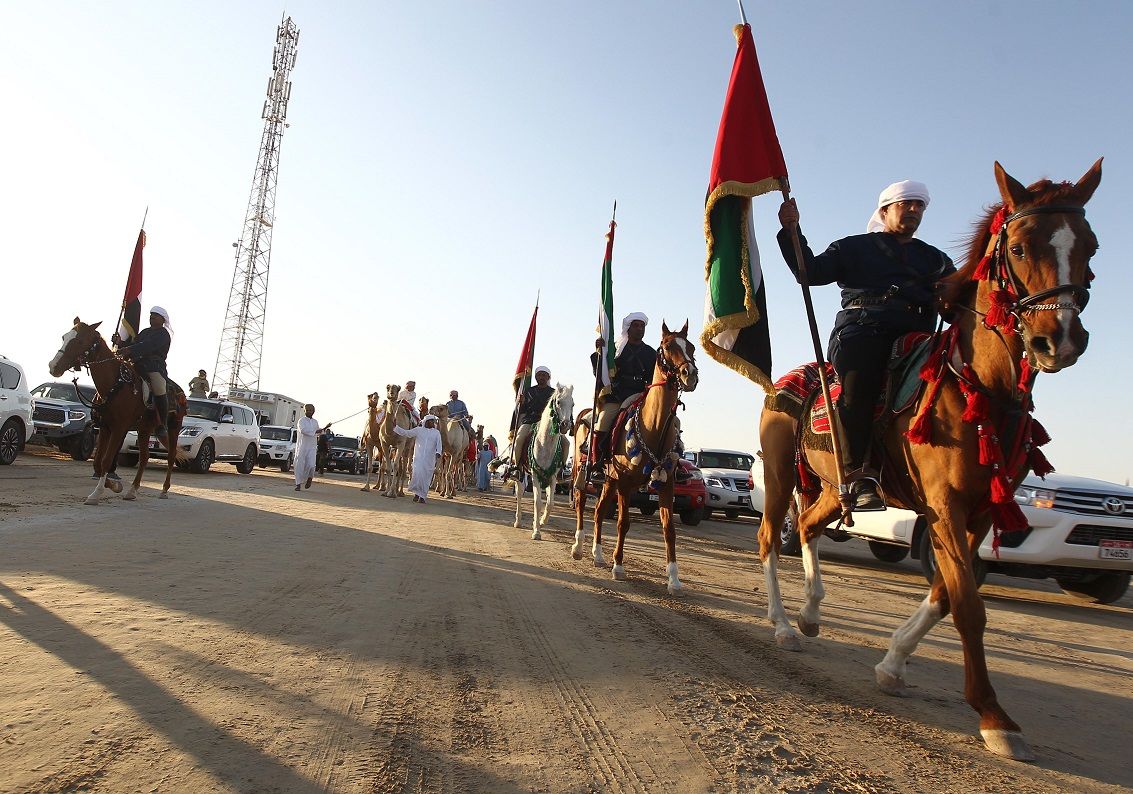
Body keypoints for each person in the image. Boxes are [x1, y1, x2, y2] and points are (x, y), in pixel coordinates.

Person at [777, 181, 955, 510]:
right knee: (860, 388)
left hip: (917, 335)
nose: (915, 210)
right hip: (863, 329)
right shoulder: (853, 248)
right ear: (885, 210)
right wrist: (792, 231)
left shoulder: (936, 259)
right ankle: (858, 473)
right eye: (908, 204)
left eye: (920, 206)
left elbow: (957, 299)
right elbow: (810, 273)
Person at [587, 312, 656, 478]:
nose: (639, 329)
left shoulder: (651, 353)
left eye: (642, 326)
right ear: (628, 328)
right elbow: (601, 371)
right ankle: (597, 463)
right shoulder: (616, 350)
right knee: (603, 420)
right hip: (618, 395)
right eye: (636, 325)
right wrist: (600, 352)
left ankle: (668, 465)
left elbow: (654, 378)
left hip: (641, 396)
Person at [116, 306, 173, 439]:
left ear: (162, 319)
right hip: (136, 364)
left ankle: (162, 424)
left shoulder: (163, 334)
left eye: (155, 316)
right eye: (151, 315)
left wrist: (130, 349)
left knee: (159, 387)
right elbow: (134, 344)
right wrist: (120, 343)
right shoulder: (145, 331)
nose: (152, 317)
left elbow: (148, 346)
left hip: (153, 367)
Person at [511, 366, 555, 472]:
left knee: (565, 443)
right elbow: (522, 410)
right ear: (535, 377)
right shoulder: (528, 391)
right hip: (530, 422)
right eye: (539, 375)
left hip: (548, 424)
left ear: (548, 377)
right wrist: (521, 403)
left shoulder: (554, 392)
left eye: (544, 375)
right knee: (518, 439)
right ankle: (517, 467)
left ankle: (560, 469)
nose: (541, 377)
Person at [394, 414, 443, 503]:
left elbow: (439, 446)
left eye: (433, 421)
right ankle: (417, 494)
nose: (433, 422)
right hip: (418, 459)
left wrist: (438, 455)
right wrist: (396, 427)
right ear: (426, 422)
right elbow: (407, 433)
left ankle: (422, 496)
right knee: (417, 476)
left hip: (430, 460)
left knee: (426, 478)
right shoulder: (419, 430)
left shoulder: (436, 433)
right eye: (431, 421)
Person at [294, 404, 329, 491]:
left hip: (312, 447)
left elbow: (318, 432)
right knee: (299, 465)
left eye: (311, 410)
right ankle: (298, 484)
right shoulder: (301, 421)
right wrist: (317, 431)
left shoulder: (315, 422)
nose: (309, 412)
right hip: (302, 447)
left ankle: (310, 478)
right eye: (308, 410)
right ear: (304, 411)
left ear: (314, 411)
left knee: (311, 465)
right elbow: (303, 430)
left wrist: (325, 428)